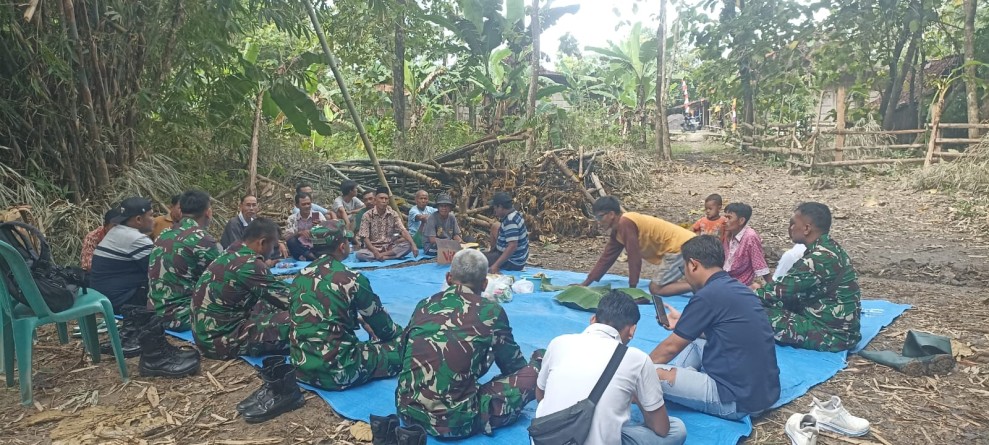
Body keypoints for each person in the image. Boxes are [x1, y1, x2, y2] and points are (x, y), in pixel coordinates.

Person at [396, 249, 542, 439]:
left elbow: (403, 354)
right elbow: (513, 366)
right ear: (485, 283)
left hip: (407, 412)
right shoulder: (491, 311)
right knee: (535, 369)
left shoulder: (425, 304)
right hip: (455, 423)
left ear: (448, 278)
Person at [649, 235, 781, 420]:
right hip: (765, 394)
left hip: (735, 401)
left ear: (693, 265)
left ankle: (683, 381)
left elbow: (669, 348)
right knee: (693, 341)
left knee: (647, 375)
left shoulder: (707, 296)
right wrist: (683, 324)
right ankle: (686, 380)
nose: (685, 275)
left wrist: (633, 369)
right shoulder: (738, 288)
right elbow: (725, 330)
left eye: (683, 269)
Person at [536, 291, 687, 445]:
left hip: (548, 437)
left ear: (593, 319)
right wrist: (640, 396)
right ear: (632, 330)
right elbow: (661, 428)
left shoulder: (558, 343)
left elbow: (540, 395)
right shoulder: (637, 359)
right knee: (676, 429)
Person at [289, 220, 404, 389]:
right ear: (342, 247)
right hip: (338, 371)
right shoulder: (351, 278)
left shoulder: (299, 276)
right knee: (404, 347)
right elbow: (384, 328)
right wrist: (401, 335)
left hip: (301, 368)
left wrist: (356, 319)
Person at [755, 202, 862, 352]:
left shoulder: (817, 259)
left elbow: (773, 293)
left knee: (751, 313)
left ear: (806, 228)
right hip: (842, 329)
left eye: (794, 224)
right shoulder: (831, 248)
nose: (791, 228)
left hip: (832, 336)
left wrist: (738, 295)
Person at [191, 218, 292, 360]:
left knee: (267, 303)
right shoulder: (252, 265)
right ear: (262, 242)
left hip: (205, 336)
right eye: (273, 246)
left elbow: (272, 289)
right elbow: (291, 300)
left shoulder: (232, 251)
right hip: (223, 343)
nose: (273, 251)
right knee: (305, 317)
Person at [578, 196, 695, 296]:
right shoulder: (617, 230)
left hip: (680, 247)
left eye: (600, 217)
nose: (598, 221)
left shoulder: (625, 223)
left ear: (612, 214)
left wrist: (632, 289)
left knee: (655, 289)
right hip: (685, 244)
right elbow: (607, 258)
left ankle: (699, 284)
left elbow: (634, 257)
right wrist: (585, 283)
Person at [148, 190, 222, 330]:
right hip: (183, 317)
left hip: (154, 313)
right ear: (208, 212)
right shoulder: (203, 240)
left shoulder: (164, 234)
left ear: (180, 211)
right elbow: (219, 282)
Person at [90, 197, 155, 311]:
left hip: (102, 296)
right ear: (139, 219)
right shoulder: (136, 239)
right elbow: (158, 270)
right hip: (121, 301)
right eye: (151, 215)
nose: (153, 219)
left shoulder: (116, 231)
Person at [356, 186, 416, 261]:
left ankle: (382, 256)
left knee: (408, 245)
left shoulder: (393, 214)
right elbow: (365, 237)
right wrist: (375, 251)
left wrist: (413, 245)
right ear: (375, 200)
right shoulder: (367, 215)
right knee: (360, 254)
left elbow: (403, 230)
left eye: (386, 199)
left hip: (389, 247)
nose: (384, 201)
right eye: (381, 198)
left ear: (388, 201)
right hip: (373, 248)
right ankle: (392, 257)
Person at [721, 202, 770, 287]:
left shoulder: (750, 237)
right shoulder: (728, 233)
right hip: (725, 279)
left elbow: (759, 263)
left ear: (741, 221)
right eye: (725, 217)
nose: (725, 221)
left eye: (729, 218)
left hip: (741, 283)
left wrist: (774, 287)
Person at [485, 192, 529, 274]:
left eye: (495, 208)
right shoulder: (515, 213)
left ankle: (495, 259)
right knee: (495, 226)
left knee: (477, 259)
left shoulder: (510, 221)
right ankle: (493, 253)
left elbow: (512, 246)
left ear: (500, 207)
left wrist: (496, 265)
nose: (494, 210)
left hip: (514, 261)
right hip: (520, 255)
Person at [284, 192, 328, 261]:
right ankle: (312, 257)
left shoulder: (317, 215)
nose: (307, 206)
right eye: (303, 204)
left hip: (315, 245)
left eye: (308, 203)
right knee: (291, 242)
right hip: (300, 247)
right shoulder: (292, 218)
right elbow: (287, 238)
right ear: (297, 205)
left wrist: (321, 226)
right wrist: (299, 233)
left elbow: (328, 233)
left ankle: (310, 256)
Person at [81, 206, 120, 272]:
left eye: (121, 226)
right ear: (106, 226)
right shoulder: (93, 237)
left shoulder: (125, 235)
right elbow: (87, 264)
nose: (118, 229)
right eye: (115, 226)